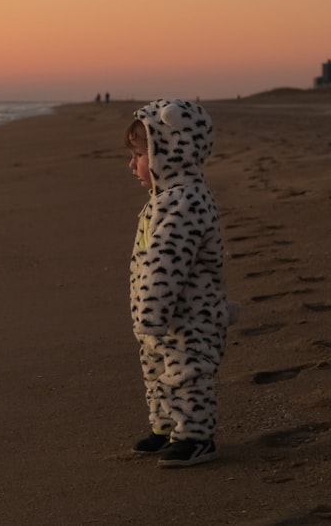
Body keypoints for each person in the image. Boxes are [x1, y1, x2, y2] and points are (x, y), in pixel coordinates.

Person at [124, 98, 231, 468]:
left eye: (138, 155)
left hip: (190, 315)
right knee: (157, 372)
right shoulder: (164, 199)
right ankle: (166, 426)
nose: (132, 165)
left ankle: (195, 436)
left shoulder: (184, 202)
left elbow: (165, 262)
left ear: (167, 152)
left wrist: (150, 311)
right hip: (165, 318)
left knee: (188, 373)